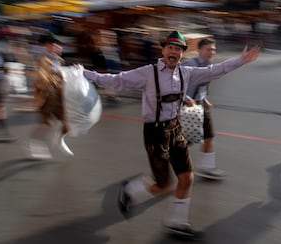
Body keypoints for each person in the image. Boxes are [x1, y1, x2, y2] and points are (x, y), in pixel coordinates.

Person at [83, 30, 260, 239]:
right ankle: (131, 190)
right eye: (170, 47)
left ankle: (176, 222)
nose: (173, 52)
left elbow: (216, 70)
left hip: (175, 129)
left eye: (178, 49)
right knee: (164, 184)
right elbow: (115, 81)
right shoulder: (148, 72)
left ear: (182, 54)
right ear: (163, 50)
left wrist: (241, 60)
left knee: (187, 178)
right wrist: (83, 74)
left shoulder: (187, 73)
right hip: (155, 132)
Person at [181, 38, 226, 180]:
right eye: (208, 49)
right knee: (185, 140)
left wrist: (205, 99)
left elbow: (203, 85)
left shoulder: (209, 65)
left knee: (209, 136)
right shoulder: (190, 64)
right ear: (199, 50)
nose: (211, 52)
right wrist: (185, 98)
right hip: (186, 107)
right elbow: (175, 83)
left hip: (200, 105)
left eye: (213, 49)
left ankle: (207, 167)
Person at [28, 32, 72, 159]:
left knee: (68, 122)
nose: (59, 47)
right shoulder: (43, 60)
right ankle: (35, 145)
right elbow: (41, 79)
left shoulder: (60, 61)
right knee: (47, 124)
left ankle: (59, 140)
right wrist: (55, 83)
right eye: (55, 44)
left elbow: (63, 77)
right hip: (46, 97)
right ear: (47, 46)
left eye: (59, 45)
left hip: (59, 97)